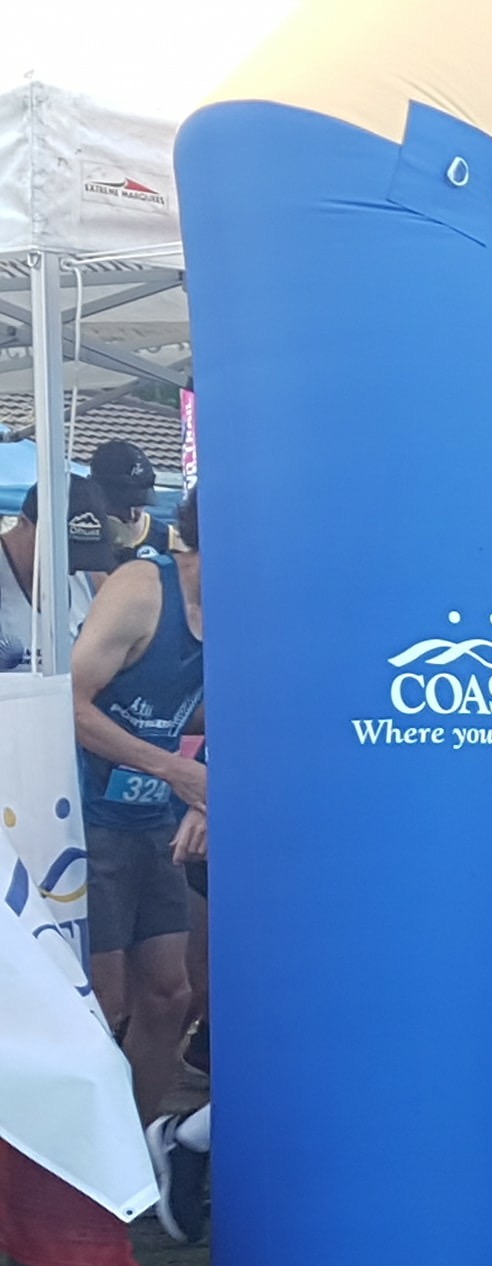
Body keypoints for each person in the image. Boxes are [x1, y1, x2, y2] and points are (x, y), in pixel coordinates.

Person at [70, 488, 206, 1126]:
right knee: (104, 1000)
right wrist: (171, 767)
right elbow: (69, 705)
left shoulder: (241, 612)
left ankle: (135, 1153)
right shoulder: (143, 587)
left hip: (150, 818)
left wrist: (201, 787)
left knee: (168, 993)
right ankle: (77, 1174)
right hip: (85, 817)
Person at [1, 476, 120, 670]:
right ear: (23, 523)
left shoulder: (94, 580)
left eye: (79, 557)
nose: (67, 567)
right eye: (58, 551)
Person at [88, 440, 170, 557]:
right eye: (122, 505)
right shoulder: (68, 540)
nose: (131, 515)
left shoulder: (169, 542)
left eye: (140, 503)